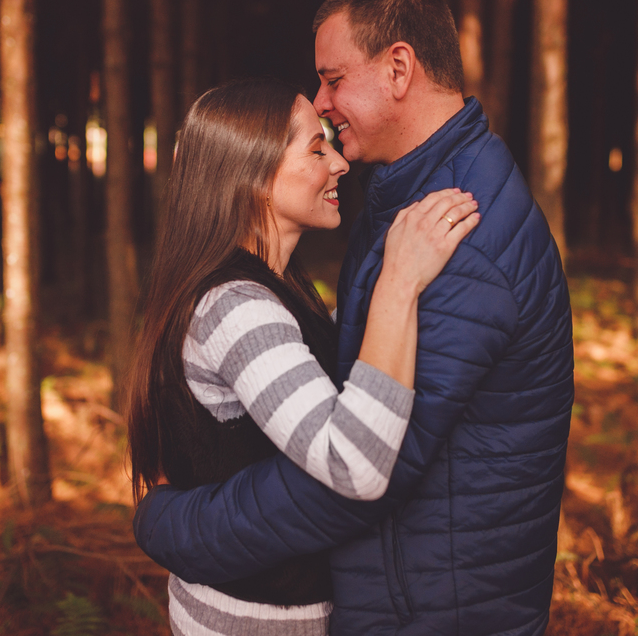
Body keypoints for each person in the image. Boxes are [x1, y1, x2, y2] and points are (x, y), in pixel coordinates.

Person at [134, 0, 575, 636]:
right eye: (313, 142)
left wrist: (173, 527)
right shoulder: (403, 200)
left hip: (436, 609)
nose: (322, 100)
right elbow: (349, 393)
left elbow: (365, 468)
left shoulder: (455, 230)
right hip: (398, 595)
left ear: (399, 68)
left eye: (333, 79)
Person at [124, 77, 481, 635]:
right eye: (316, 149)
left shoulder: (274, 287)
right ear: (250, 177)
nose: (339, 164)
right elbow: (352, 463)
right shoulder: (236, 307)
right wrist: (399, 282)